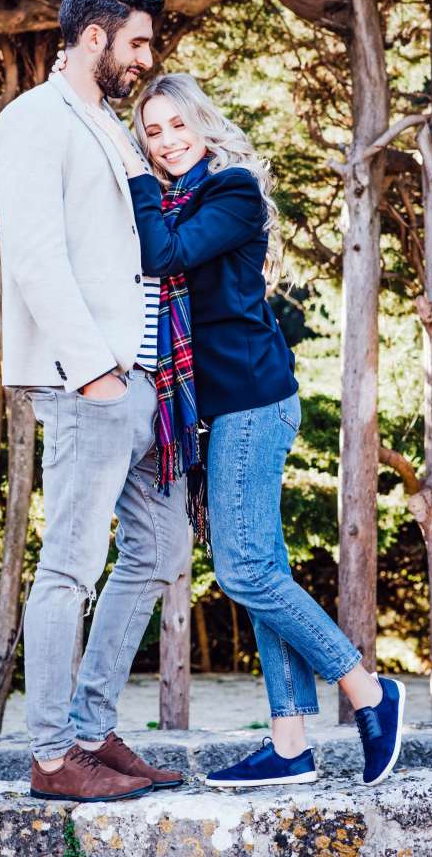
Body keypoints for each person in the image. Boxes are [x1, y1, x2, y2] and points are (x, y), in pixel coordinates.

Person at [88, 71, 406, 789]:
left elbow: (165, 255)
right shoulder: (173, 201)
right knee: (265, 570)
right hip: (220, 409)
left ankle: (367, 690)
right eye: (151, 132)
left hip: (253, 401)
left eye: (177, 125)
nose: (167, 141)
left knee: (245, 572)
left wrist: (135, 177)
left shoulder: (231, 192)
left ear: (203, 124)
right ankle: (290, 747)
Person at [0, 0, 190, 803]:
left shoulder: (107, 125)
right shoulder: (33, 120)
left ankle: (93, 731)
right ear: (95, 35)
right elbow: (35, 257)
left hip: (142, 384)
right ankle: (50, 758)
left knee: (161, 550)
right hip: (88, 385)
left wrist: (136, 377)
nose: (145, 59)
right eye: (137, 42)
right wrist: (95, 372)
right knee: (69, 568)